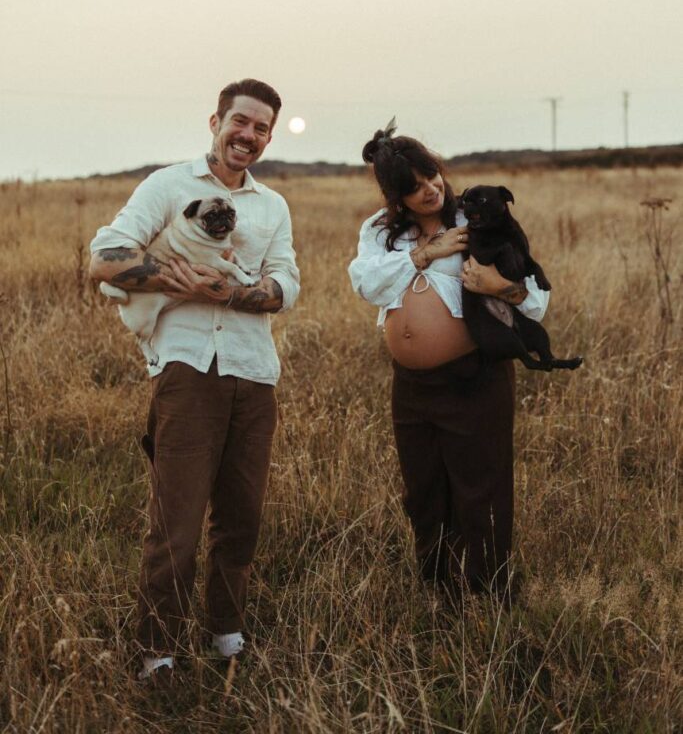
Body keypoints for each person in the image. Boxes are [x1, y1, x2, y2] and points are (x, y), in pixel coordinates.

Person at [89, 78, 300, 680]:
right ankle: (157, 650)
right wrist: (171, 281)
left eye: (262, 128)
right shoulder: (168, 185)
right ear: (216, 120)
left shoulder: (272, 205)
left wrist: (233, 292)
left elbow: (287, 284)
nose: (249, 136)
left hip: (255, 374)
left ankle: (226, 633)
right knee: (175, 522)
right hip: (186, 370)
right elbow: (104, 258)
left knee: (242, 516)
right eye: (241, 122)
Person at [348, 122, 549, 596]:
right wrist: (422, 255)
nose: (429, 190)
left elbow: (536, 300)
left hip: (473, 379)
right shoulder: (380, 231)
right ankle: (440, 587)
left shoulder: (478, 217)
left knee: (481, 488)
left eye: (431, 175)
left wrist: (502, 288)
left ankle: (488, 590)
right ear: (395, 197)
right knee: (423, 489)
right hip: (412, 386)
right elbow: (365, 283)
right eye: (413, 188)